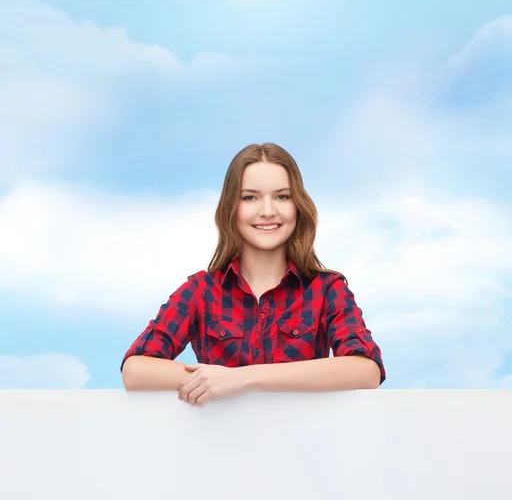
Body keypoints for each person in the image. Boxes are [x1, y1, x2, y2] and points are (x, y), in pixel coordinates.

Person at [121, 143, 385, 405]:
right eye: (250, 197)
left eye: (282, 196)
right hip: (217, 445)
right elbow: (136, 370)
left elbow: (366, 370)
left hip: (305, 444)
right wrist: (211, 380)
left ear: (298, 206)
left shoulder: (327, 288)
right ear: (231, 209)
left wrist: (243, 379)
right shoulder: (201, 290)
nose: (267, 210)